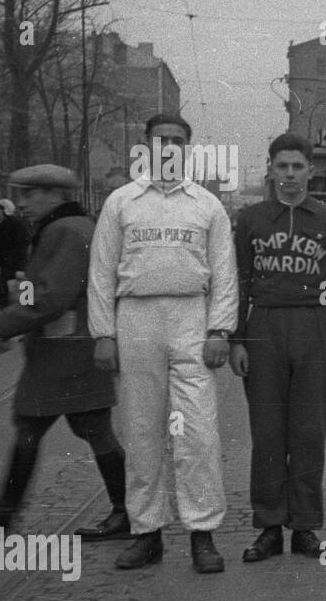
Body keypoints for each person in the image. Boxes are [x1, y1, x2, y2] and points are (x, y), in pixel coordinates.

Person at [88, 113, 237, 573]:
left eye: (178, 141)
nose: (169, 147)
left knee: (199, 431)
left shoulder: (207, 205)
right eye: (161, 140)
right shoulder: (121, 202)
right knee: (142, 428)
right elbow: (100, 271)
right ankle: (146, 531)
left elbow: (225, 273)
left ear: (188, 149)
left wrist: (219, 330)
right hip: (136, 316)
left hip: (191, 314)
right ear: (146, 147)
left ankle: (203, 534)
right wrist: (104, 334)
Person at [0, 166, 127, 538]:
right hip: (67, 351)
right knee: (74, 428)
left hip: (66, 354)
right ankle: (6, 509)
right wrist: (18, 295)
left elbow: (51, 297)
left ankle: (8, 510)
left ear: (55, 195)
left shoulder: (65, 231)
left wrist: (2, 324)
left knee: (46, 427)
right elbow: (41, 288)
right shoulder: (67, 228)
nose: (23, 203)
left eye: (30, 194)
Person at [231, 134, 326, 562]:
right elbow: (239, 283)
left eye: (297, 167)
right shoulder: (251, 219)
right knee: (267, 432)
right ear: (270, 169)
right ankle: (268, 525)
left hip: (313, 325)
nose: (289, 175)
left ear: (310, 171)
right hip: (264, 325)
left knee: (307, 431)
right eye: (281, 166)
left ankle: (304, 525)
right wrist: (237, 340)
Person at [0, 198, 29, 310]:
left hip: (20, 270)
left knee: (23, 303)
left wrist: (20, 268)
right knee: (3, 303)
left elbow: (22, 247)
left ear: (6, 210)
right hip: (6, 270)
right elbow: (0, 253)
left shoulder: (18, 224)